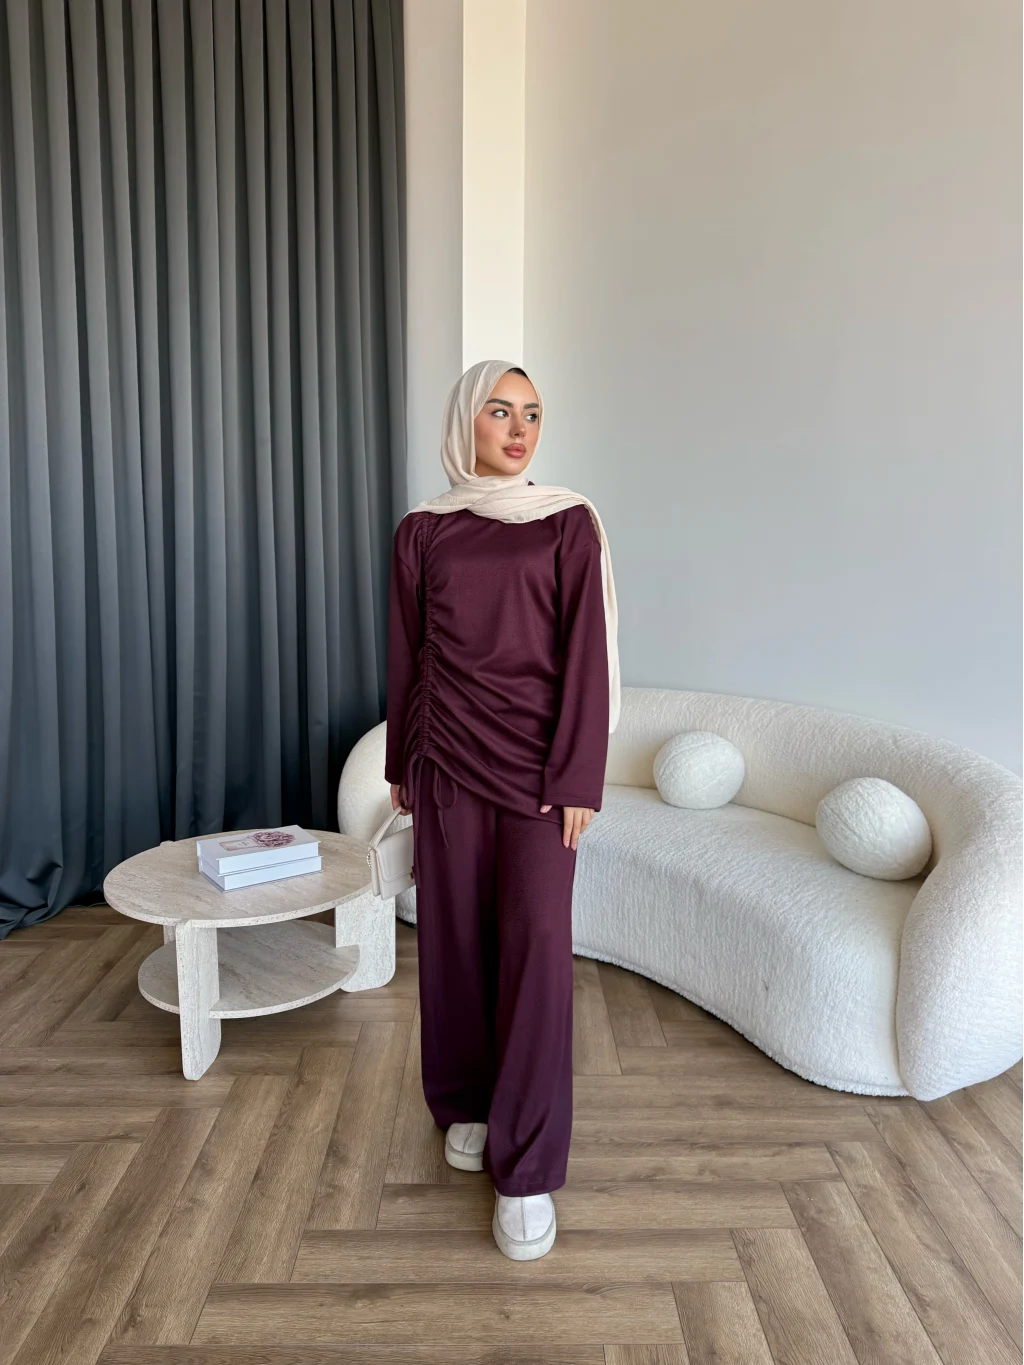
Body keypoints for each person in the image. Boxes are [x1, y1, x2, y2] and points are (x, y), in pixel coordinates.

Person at [384, 358, 620, 1261]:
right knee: (452, 942)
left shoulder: (567, 521)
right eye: (499, 411)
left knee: (536, 954)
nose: (519, 430)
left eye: (531, 414)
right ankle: (466, 1102)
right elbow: (408, 652)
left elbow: (587, 653)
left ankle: (526, 1172)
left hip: (538, 778)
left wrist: (579, 777)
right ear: (464, 423)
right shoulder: (422, 530)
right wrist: (404, 762)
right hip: (445, 761)